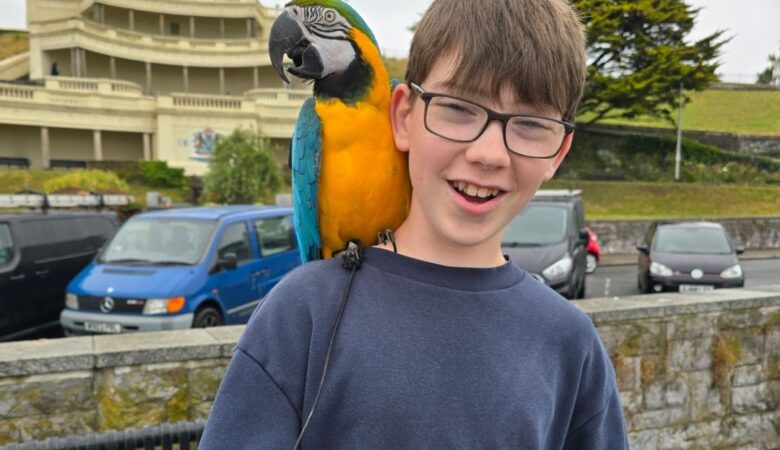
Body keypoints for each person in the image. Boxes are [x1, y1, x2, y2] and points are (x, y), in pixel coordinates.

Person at [200, 0, 629, 448]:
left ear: (558, 153)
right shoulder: (299, 314)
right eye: (458, 109)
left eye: (530, 124)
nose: (488, 154)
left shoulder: (572, 345)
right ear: (403, 116)